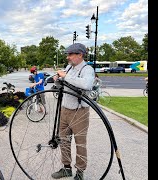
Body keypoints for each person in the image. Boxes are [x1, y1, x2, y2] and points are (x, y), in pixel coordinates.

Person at [51, 43, 95, 180]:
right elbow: (66, 82)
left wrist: (65, 76)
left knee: (80, 143)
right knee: (64, 141)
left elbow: (86, 84)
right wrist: (58, 78)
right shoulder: (70, 67)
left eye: (70, 54)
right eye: (67, 54)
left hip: (79, 112)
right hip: (65, 110)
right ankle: (66, 168)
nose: (68, 57)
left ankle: (80, 172)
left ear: (80, 55)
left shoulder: (87, 69)